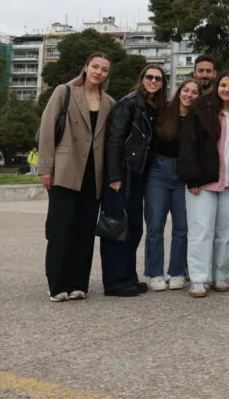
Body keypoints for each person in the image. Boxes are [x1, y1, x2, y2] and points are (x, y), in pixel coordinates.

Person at [38, 54, 116, 302]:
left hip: (94, 175)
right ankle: (57, 284)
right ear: (86, 67)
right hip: (65, 170)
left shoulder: (109, 102)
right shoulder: (65, 92)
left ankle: (78, 283)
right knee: (61, 229)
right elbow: (48, 128)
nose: (99, 72)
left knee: (84, 230)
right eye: (95, 67)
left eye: (104, 69)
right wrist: (45, 168)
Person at [101, 64, 167, 297]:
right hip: (123, 174)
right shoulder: (128, 104)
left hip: (139, 175)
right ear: (141, 79)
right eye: (149, 77)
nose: (153, 81)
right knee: (116, 227)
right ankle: (114, 282)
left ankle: (128, 276)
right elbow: (114, 141)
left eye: (158, 78)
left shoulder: (152, 107)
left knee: (134, 229)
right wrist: (114, 176)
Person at [179, 71, 229, 298]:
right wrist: (192, 177)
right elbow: (188, 145)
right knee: (201, 230)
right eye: (223, 85)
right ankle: (199, 278)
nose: (227, 89)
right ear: (217, 87)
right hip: (204, 181)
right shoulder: (201, 110)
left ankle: (220, 275)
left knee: (227, 230)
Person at [145, 78, 200, 291]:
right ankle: (155, 272)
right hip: (159, 172)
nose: (189, 95)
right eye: (186, 90)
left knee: (182, 227)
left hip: (183, 175)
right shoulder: (163, 111)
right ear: (180, 91)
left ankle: (177, 271)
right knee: (155, 225)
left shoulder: (198, 117)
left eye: (194, 92)